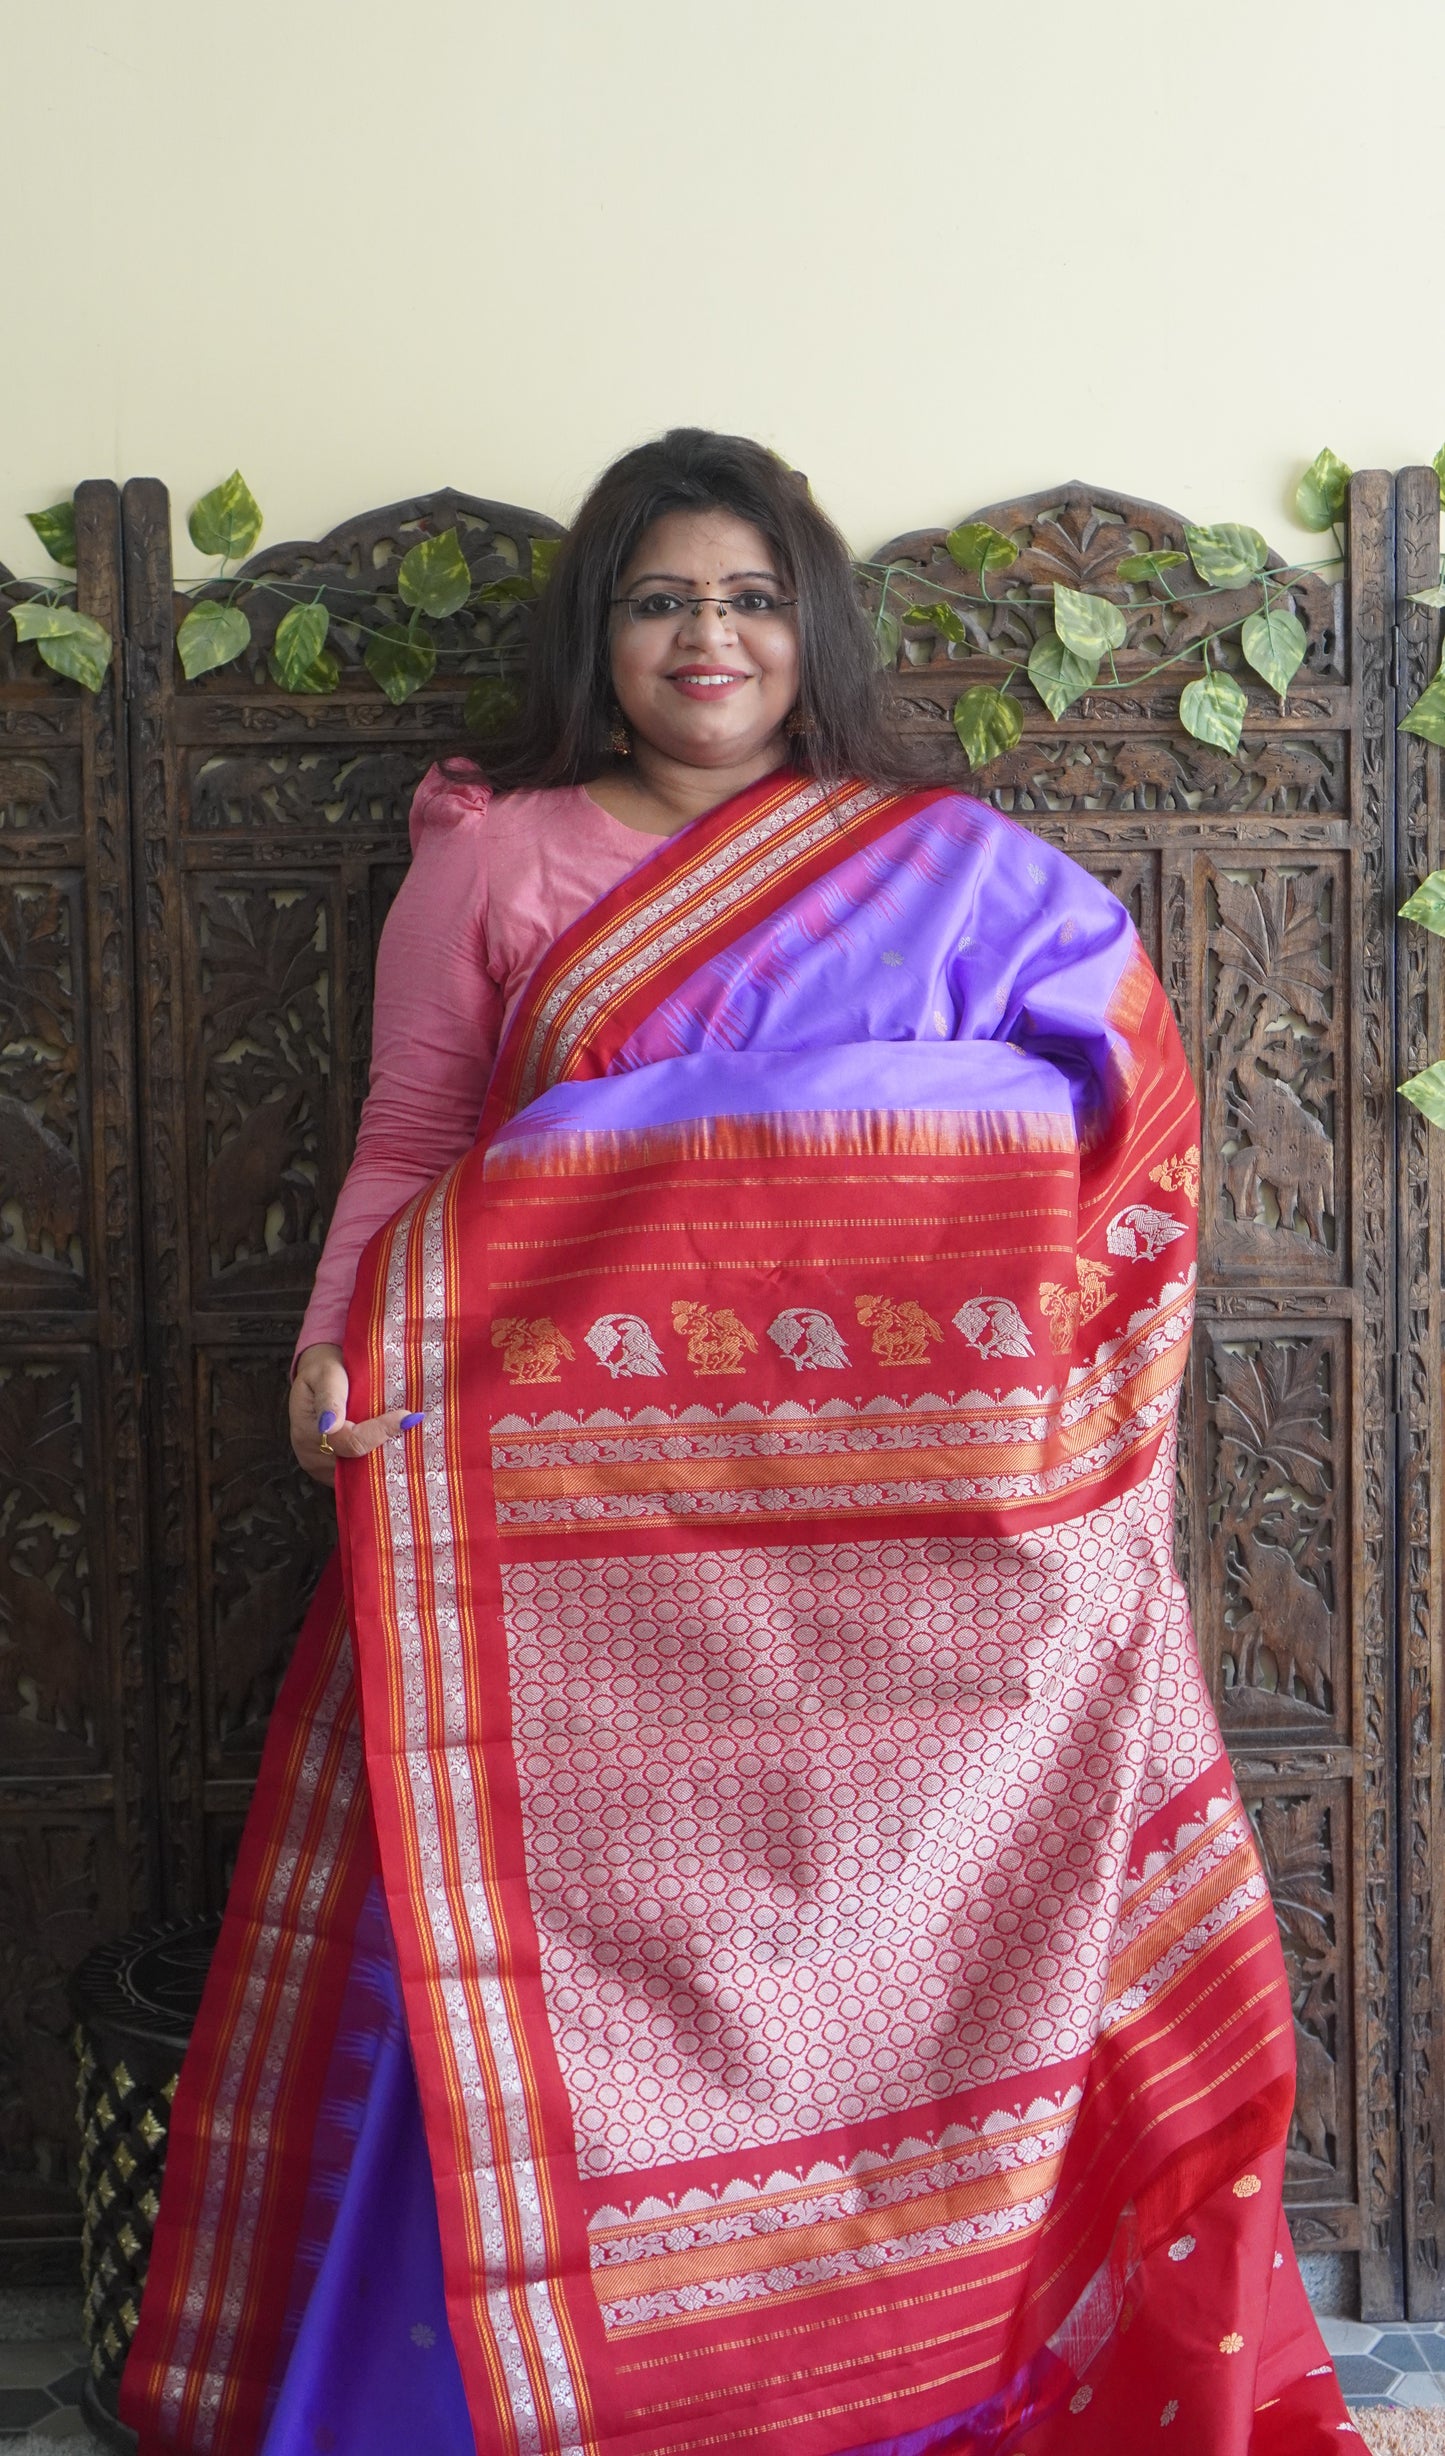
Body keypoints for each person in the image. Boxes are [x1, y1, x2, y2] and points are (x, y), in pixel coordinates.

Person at [123, 430, 1353, 2456]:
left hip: (889, 1579)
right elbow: (419, 1146)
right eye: (666, 598)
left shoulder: (938, 869)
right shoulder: (497, 860)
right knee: (541, 1974)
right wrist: (336, 1356)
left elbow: (1120, 1119)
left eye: (755, 597)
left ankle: (885, 2377)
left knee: (869, 1958)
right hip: (556, 1544)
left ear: (814, 629)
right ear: (604, 632)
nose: (713, 638)